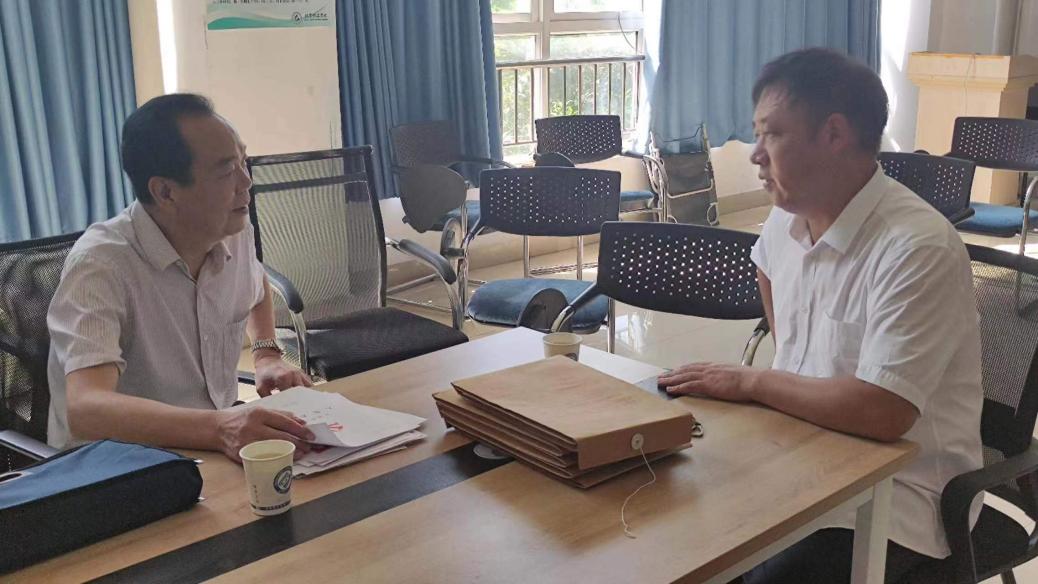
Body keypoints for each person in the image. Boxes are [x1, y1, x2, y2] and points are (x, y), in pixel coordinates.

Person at [658, 48, 983, 582]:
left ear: (834, 134)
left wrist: (756, 382)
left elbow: (883, 412)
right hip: (801, 453)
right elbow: (767, 267)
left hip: (901, 499)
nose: (756, 155)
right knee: (669, 537)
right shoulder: (785, 220)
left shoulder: (916, 247)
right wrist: (788, 375)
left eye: (771, 135)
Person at [47, 93, 317, 463]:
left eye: (243, 161)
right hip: (117, 463)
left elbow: (256, 290)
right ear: (166, 191)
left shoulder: (233, 231)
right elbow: (87, 409)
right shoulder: (101, 264)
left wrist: (267, 354)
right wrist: (220, 428)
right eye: (226, 171)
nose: (246, 182)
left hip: (209, 445)